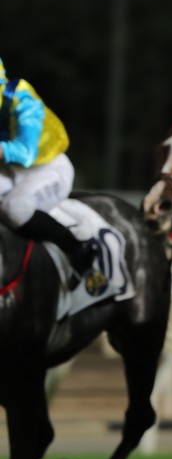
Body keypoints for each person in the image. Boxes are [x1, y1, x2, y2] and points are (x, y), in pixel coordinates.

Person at [0, 56, 105, 292]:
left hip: (47, 168)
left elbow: (26, 152)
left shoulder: (20, 97)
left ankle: (79, 250)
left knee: (14, 208)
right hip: (8, 170)